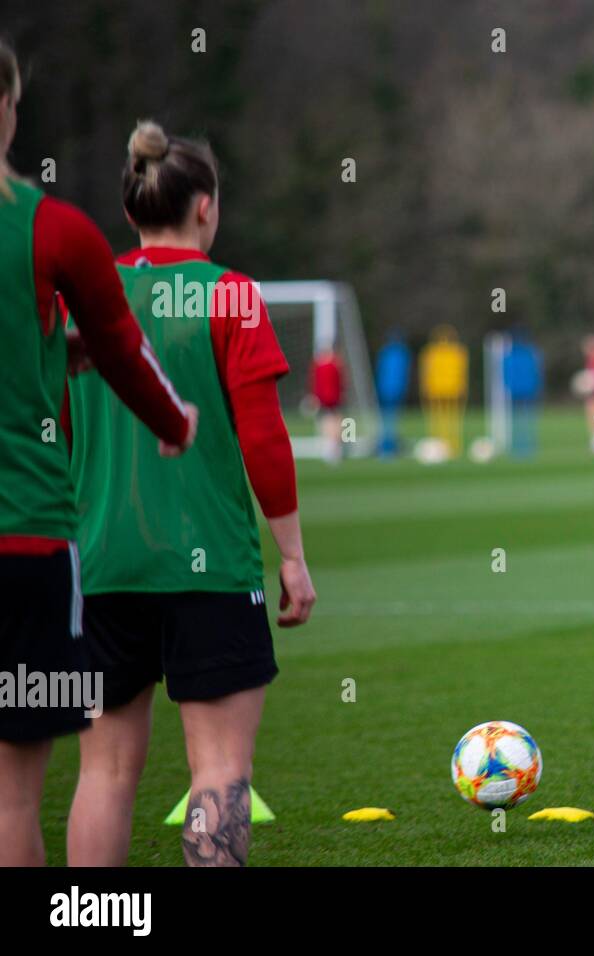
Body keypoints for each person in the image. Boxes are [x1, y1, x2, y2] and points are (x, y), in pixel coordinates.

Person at [65, 120, 315, 867]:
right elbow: (264, 440)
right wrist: (293, 556)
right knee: (220, 770)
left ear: (132, 206)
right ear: (204, 206)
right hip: (207, 567)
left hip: (102, 563)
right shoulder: (231, 295)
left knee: (103, 775)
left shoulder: (87, 295)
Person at [0, 43, 198, 867]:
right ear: (7, 105)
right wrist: (175, 418)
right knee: (13, 788)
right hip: (25, 540)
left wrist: (55, 356)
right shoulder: (53, 228)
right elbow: (125, 349)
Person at [310, 344, 346, 464]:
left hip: (327, 398)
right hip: (332, 398)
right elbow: (341, 382)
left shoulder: (320, 366)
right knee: (333, 421)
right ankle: (334, 447)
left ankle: (332, 447)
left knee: (330, 421)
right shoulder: (334, 365)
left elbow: (316, 384)